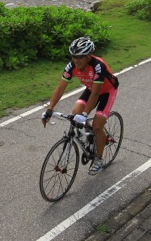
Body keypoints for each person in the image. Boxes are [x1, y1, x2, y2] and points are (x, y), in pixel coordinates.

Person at [41, 37, 119, 175]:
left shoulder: (98, 66)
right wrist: (49, 109)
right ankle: (93, 136)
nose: (76, 60)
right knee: (75, 112)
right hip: (91, 89)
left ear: (88, 56)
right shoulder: (71, 66)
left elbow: (95, 94)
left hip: (106, 91)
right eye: (74, 56)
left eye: (80, 57)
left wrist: (84, 115)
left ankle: (98, 158)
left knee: (96, 125)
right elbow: (60, 88)